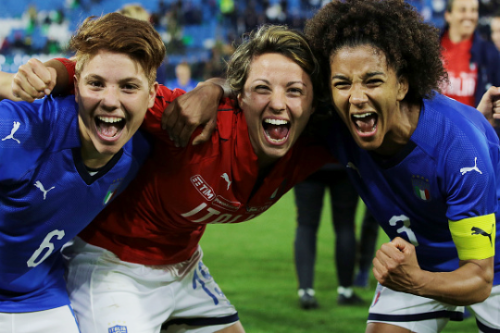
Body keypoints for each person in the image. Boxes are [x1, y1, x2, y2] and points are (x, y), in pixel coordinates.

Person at [10, 25, 332, 333]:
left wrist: (214, 84)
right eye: (261, 88)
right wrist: (49, 73)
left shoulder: (313, 142)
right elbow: (107, 77)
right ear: (240, 97)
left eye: (294, 91)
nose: (278, 103)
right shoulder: (191, 119)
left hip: (186, 266)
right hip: (111, 265)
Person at [305, 0, 500, 332]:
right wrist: (212, 89)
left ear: (403, 85)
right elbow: (262, 96)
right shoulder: (337, 125)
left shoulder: (458, 148)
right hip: (416, 258)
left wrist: (415, 281)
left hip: (489, 267)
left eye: (372, 81)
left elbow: (479, 279)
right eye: (342, 84)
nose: (355, 97)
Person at [0, 12, 165, 333]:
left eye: (129, 87)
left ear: (153, 95)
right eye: (96, 84)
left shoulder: (144, 150)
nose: (110, 101)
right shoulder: (16, 132)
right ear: (75, 87)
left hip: (39, 297)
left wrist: (216, 86)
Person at [293, 163, 364, 309]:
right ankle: (346, 291)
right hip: (343, 162)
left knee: (306, 225)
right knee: (346, 226)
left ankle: (306, 291)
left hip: (307, 161)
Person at [439, 0, 500, 107]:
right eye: (463, 10)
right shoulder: (430, 47)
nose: (469, 16)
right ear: (448, 15)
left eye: (473, 10)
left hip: (472, 123)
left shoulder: (490, 54)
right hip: (434, 122)